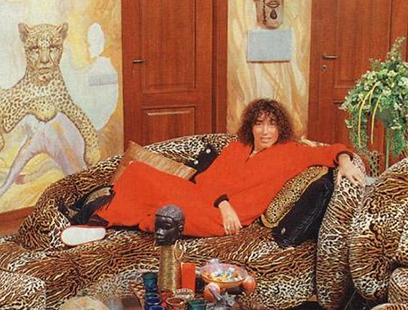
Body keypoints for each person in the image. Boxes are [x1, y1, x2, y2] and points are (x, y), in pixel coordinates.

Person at [93, 98, 364, 238]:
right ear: (251, 126)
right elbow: (206, 180)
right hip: (209, 200)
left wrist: (344, 161)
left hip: (228, 219)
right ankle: (100, 211)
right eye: (259, 124)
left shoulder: (292, 153)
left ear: (281, 128)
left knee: (171, 214)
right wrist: (222, 203)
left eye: (272, 125)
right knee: (139, 171)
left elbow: (331, 150)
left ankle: (110, 214)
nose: (265, 131)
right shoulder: (237, 147)